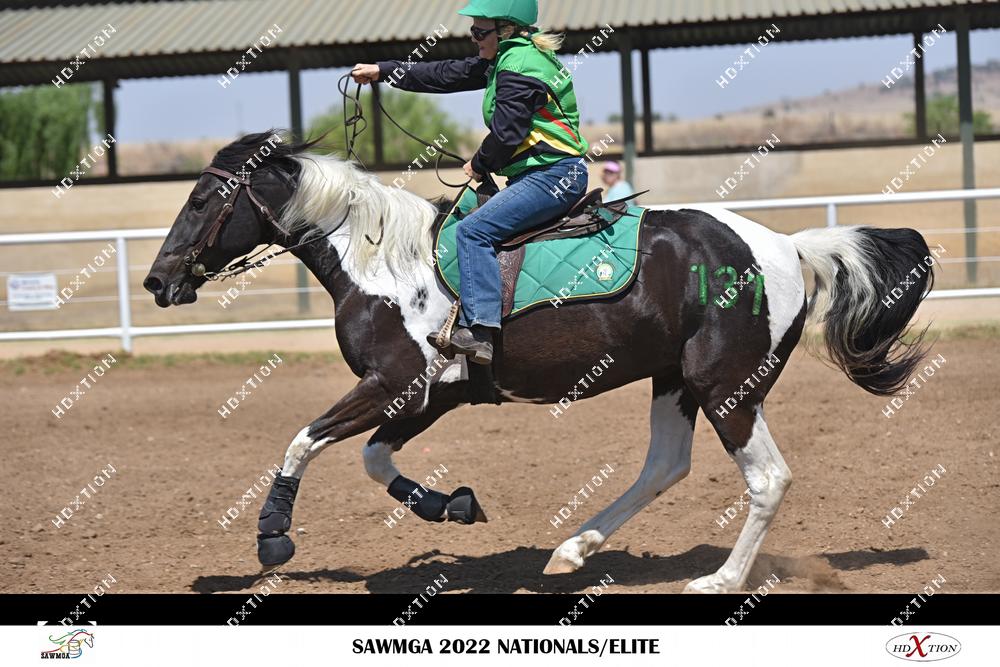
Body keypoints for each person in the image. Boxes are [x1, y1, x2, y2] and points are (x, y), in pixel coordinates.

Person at [351, 0, 589, 365]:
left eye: (480, 31)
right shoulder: (509, 59)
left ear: (506, 30)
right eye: (472, 30)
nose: (473, 37)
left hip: (552, 176)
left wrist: (479, 164)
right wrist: (384, 71)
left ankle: (480, 331)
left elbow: (507, 133)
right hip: (542, 174)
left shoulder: (519, 66)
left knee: (473, 231)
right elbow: (445, 74)